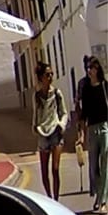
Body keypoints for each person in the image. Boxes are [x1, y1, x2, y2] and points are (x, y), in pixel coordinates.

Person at [76, 55, 108, 213]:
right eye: (88, 68)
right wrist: (81, 135)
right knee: (93, 166)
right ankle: (98, 195)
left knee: (105, 164)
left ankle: (102, 201)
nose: (89, 70)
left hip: (105, 127)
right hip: (92, 129)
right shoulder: (86, 88)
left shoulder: (104, 86)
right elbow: (83, 114)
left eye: (91, 68)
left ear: (97, 69)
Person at [32, 62, 68, 200]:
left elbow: (64, 112)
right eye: (47, 74)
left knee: (55, 169)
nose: (51, 76)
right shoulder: (36, 96)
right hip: (43, 134)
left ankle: (56, 199)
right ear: (41, 77)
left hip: (55, 133)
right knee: (44, 172)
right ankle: (49, 197)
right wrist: (35, 127)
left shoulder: (57, 93)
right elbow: (35, 115)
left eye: (52, 74)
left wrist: (61, 124)